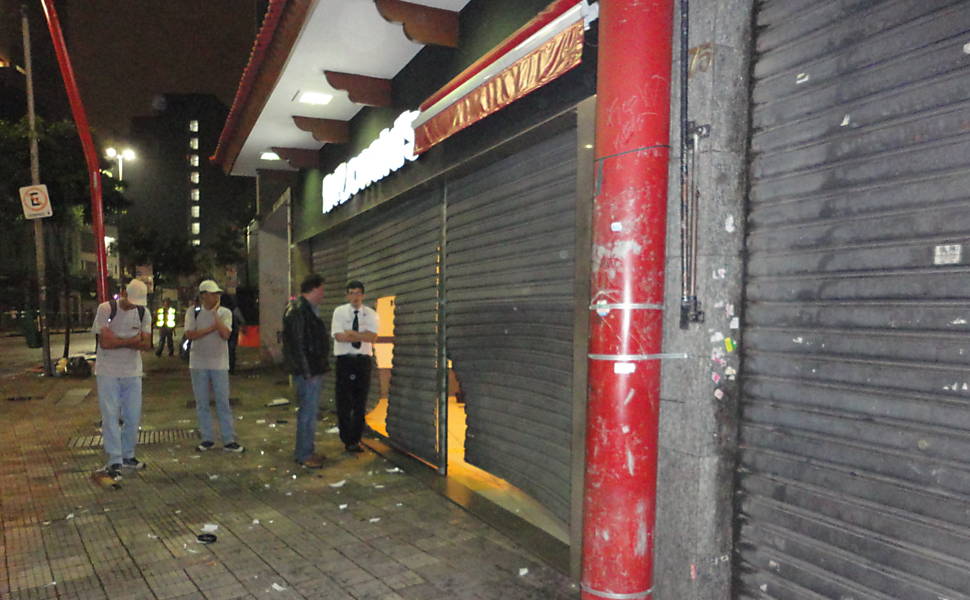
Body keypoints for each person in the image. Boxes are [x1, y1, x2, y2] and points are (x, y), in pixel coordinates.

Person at [92, 279, 153, 480]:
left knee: (132, 416)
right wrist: (132, 340)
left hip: (132, 371)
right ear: (123, 293)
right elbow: (105, 343)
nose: (132, 305)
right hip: (108, 371)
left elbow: (146, 344)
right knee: (110, 415)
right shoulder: (106, 309)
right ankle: (114, 459)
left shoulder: (144, 312)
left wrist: (119, 340)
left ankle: (128, 455)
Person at [185, 280, 244, 453]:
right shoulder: (193, 312)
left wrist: (216, 317)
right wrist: (212, 327)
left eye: (218, 294)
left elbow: (226, 334)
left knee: (222, 402)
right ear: (203, 295)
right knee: (202, 402)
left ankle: (228, 439)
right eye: (212, 294)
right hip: (198, 363)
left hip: (219, 363)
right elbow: (190, 334)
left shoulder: (225, 312)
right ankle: (207, 438)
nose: (216, 296)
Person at [282, 274, 330, 468]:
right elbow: (299, 344)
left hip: (310, 369)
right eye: (322, 290)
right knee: (307, 413)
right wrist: (308, 371)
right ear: (315, 289)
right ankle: (304, 454)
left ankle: (307, 450)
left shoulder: (304, 309)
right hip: (308, 371)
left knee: (309, 412)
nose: (323, 294)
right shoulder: (299, 311)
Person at [331, 280, 379, 453]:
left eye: (358, 293)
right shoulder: (339, 312)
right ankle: (346, 438)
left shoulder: (371, 314)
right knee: (344, 400)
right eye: (351, 293)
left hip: (363, 361)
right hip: (345, 360)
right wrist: (361, 335)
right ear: (347, 295)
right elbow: (339, 337)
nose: (355, 297)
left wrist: (351, 333)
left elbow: (373, 337)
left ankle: (356, 439)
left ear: (363, 295)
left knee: (360, 401)